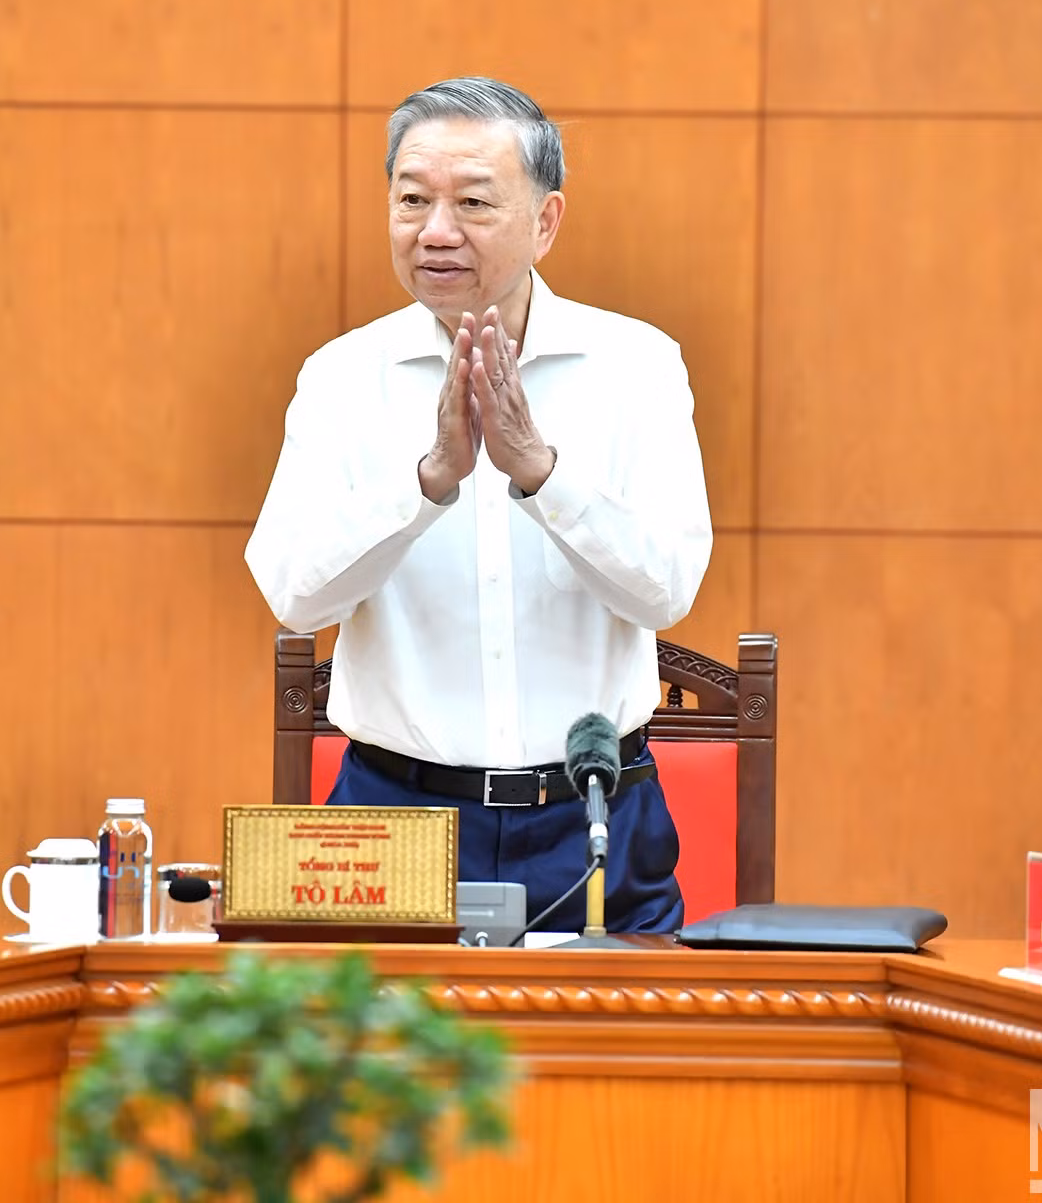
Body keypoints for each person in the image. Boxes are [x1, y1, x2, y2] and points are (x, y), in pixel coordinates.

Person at [244, 77, 712, 932]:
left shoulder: (637, 367)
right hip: (395, 816)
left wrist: (541, 475)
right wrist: (424, 485)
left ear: (546, 221)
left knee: (619, 1063)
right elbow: (294, 597)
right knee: (385, 1066)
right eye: (412, 200)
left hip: (597, 816)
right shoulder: (343, 378)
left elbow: (667, 591)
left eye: (472, 203)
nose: (435, 232)